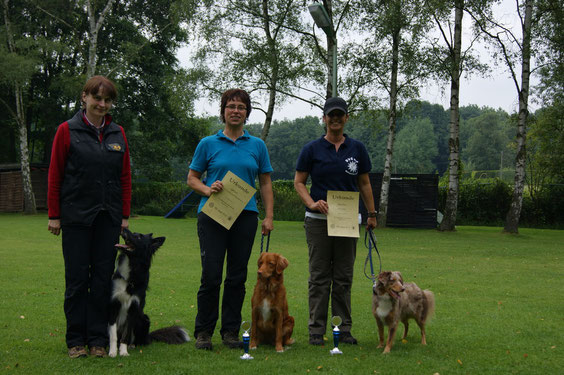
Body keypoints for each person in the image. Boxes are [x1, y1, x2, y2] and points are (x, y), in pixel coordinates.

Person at [47, 76, 131, 358]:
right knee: (77, 280)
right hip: (75, 218)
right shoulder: (66, 130)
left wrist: (124, 216)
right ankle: (75, 341)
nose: (102, 104)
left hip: (108, 219)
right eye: (97, 98)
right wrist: (54, 215)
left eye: (108, 100)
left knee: (101, 281)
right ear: (84, 97)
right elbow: (55, 174)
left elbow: (125, 178)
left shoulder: (118, 134)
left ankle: (97, 339)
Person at [187, 88, 274, 350]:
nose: (235, 111)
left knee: (237, 277)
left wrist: (269, 216)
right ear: (223, 110)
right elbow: (192, 178)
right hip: (212, 216)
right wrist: (206, 188)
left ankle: (231, 332)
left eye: (241, 107)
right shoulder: (208, 143)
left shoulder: (257, 145)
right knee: (211, 275)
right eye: (231, 106)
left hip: (245, 216)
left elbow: (266, 183)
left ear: (247, 113)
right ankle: (204, 332)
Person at [293, 96, 377, 346]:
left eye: (340, 114)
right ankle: (316, 330)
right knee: (319, 277)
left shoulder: (357, 149)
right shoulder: (311, 149)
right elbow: (299, 182)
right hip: (318, 220)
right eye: (331, 115)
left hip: (347, 220)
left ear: (347, 118)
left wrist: (372, 214)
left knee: (343, 278)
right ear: (325, 118)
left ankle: (343, 329)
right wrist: (311, 202)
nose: (336, 118)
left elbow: (364, 183)